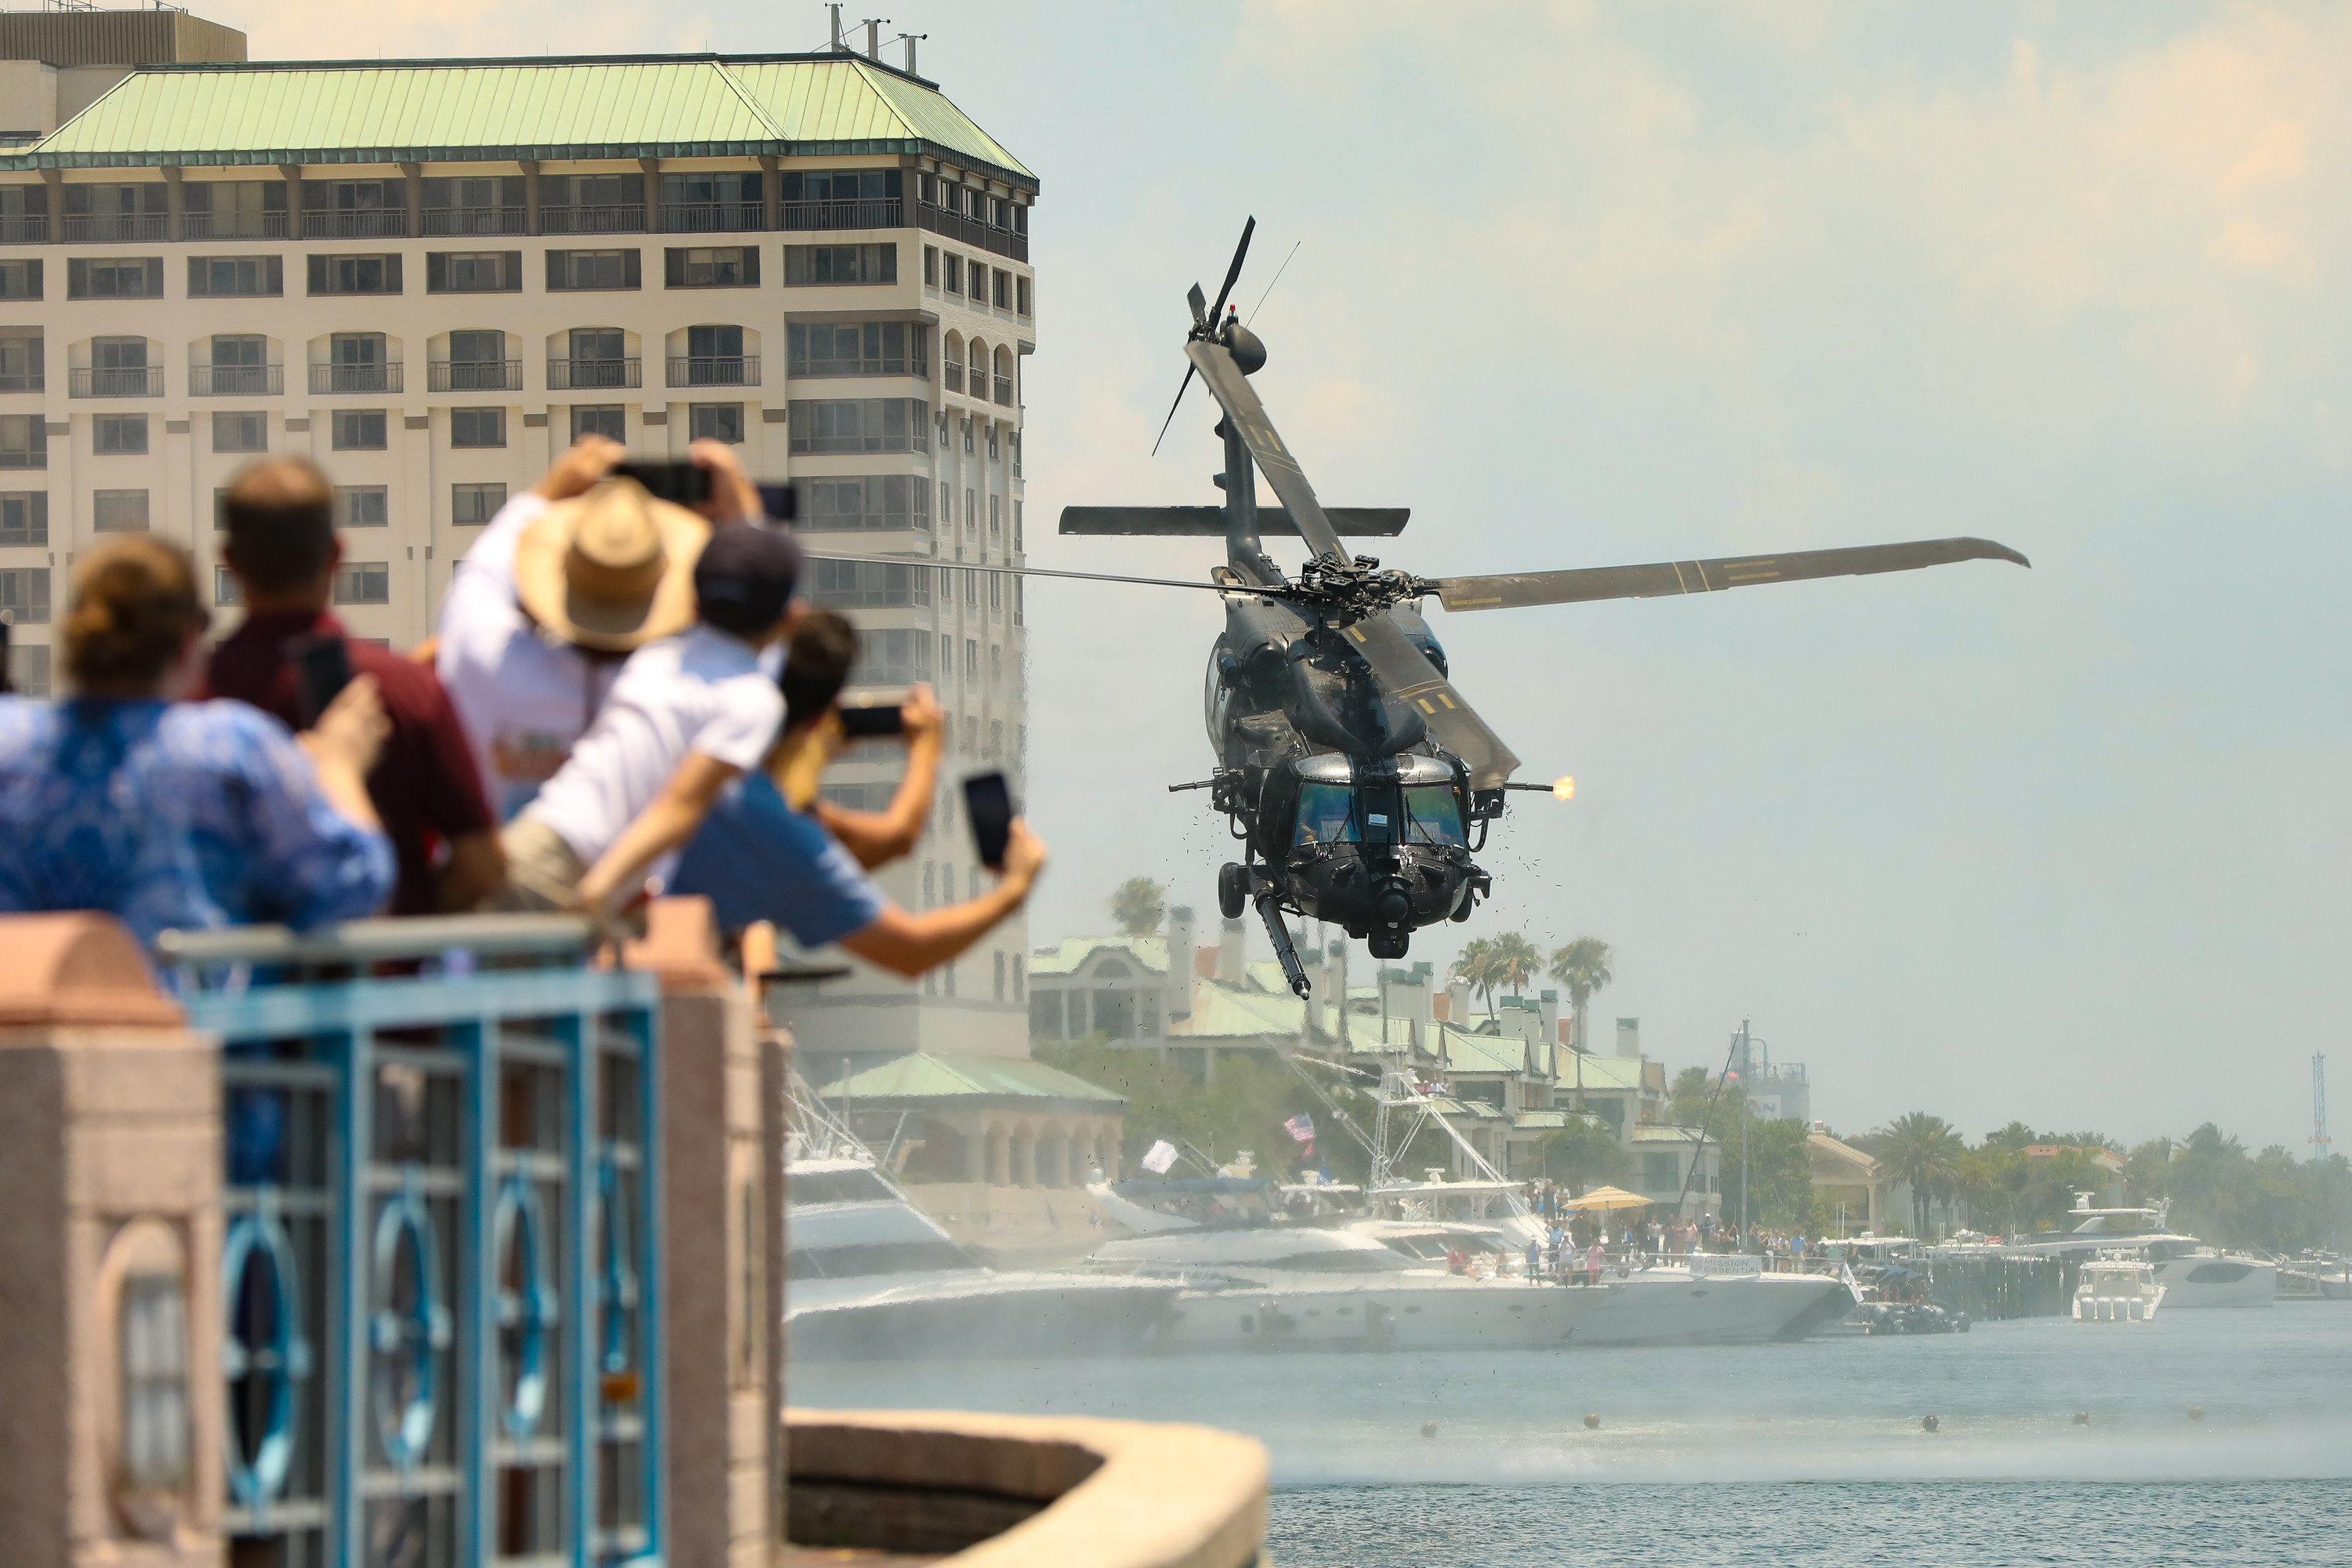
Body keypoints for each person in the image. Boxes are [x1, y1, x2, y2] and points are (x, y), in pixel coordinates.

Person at [0, 537, 394, 945]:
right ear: (188, 643)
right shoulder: (230, 747)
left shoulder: (9, 741)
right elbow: (353, 884)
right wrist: (340, 767)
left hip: (23, 1005)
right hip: (188, 1004)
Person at [669, 611, 1046, 977]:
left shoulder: (678, 741)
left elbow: (882, 839)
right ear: (820, 717)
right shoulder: (772, 827)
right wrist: (1014, 889)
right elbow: (910, 948)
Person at [201, 458, 502, 913]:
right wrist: (410, 917)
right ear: (337, 554)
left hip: (232, 978)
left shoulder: (192, 698)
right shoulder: (405, 689)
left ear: (229, 562)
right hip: (379, 974)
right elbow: (483, 867)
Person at [435, 437, 762, 820]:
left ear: (558, 576)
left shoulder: (486, 664)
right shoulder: (694, 697)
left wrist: (545, 495)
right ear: (668, 589)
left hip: (499, 876)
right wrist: (743, 519)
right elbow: (761, 637)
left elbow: (479, 579)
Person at [500, 496, 800, 913]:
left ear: (694, 605)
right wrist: (597, 893)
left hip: (527, 844)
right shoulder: (753, 702)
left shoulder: (655, 656)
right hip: (567, 872)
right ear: (791, 620)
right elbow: (681, 806)